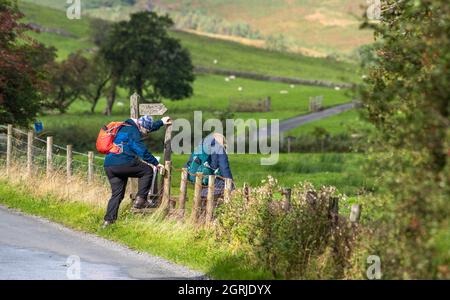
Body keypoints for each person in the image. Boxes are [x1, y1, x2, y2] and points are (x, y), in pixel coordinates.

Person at [102, 115, 171, 228]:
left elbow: (148, 127)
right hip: (123, 162)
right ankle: (140, 200)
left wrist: (161, 122)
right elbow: (141, 151)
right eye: (145, 132)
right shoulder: (133, 131)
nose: (145, 135)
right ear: (140, 126)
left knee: (117, 195)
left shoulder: (125, 126)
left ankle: (108, 222)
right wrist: (156, 163)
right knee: (147, 171)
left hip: (110, 165)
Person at [185, 132, 234, 200]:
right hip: (210, 180)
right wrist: (232, 185)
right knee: (222, 183)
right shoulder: (219, 148)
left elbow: (189, 163)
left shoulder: (200, 146)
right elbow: (224, 168)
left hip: (196, 178)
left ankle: (203, 199)